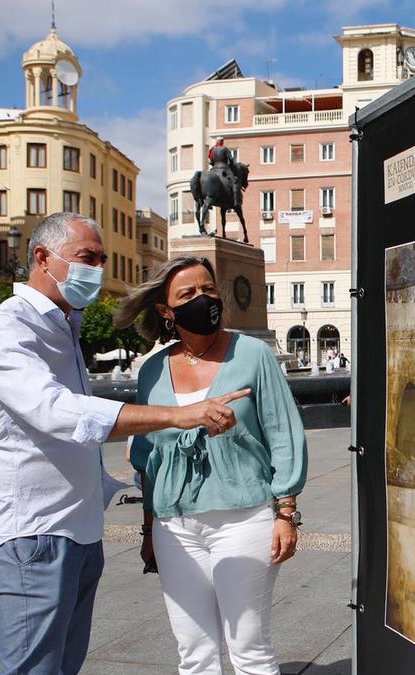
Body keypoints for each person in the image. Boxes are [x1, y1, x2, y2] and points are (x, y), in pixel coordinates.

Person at [0, 212, 250, 675]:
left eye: (101, 259)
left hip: (76, 531)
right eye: (87, 257)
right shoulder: (7, 329)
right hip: (31, 535)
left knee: (62, 665)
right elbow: (58, 411)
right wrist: (179, 415)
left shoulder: (63, 327)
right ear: (42, 258)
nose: (98, 269)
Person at [115, 256, 308, 675]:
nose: (203, 299)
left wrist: (286, 513)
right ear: (166, 310)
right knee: (193, 652)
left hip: (244, 518)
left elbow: (283, 434)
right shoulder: (152, 371)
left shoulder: (253, 355)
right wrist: (148, 529)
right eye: (188, 294)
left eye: (208, 289)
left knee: (249, 647)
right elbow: (148, 457)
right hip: (174, 526)